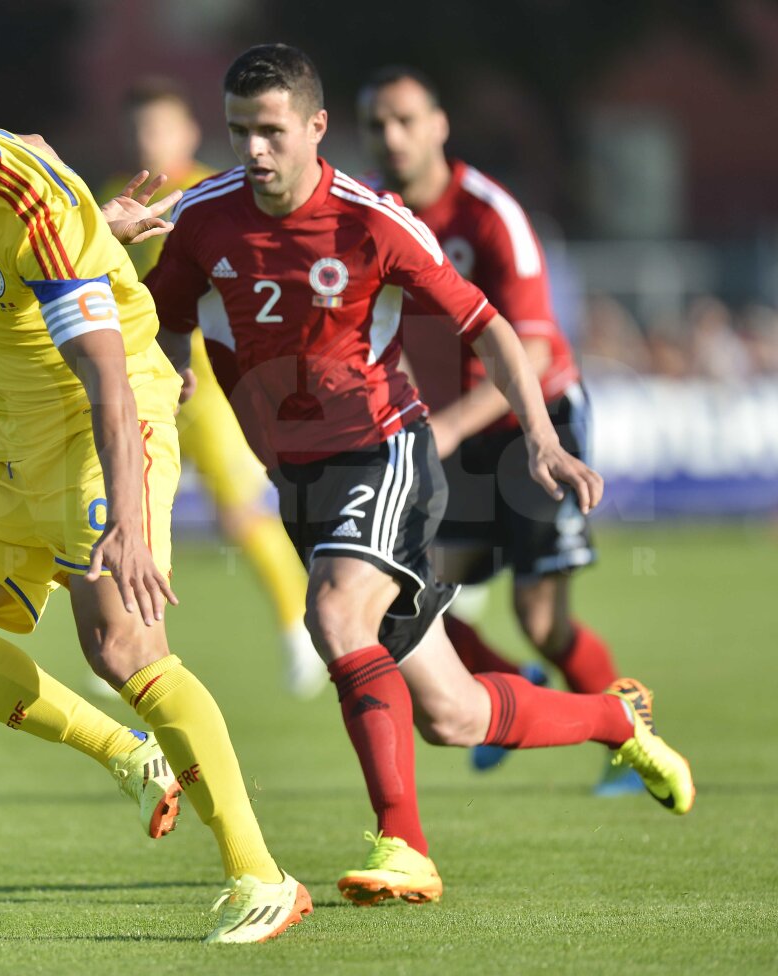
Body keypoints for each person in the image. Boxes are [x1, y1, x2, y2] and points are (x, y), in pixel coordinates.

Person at [146, 43, 694, 907]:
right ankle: (615, 718)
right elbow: (168, 315)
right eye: (239, 131)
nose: (252, 150)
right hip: (299, 481)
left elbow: (493, 327)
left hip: (385, 449)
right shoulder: (204, 218)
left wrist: (544, 441)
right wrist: (170, 368)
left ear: (316, 129)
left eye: (271, 132)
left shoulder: (374, 220)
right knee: (452, 715)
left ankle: (404, 844)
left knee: (333, 612)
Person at [0, 47, 310, 944]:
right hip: (9, 445)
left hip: (98, 423)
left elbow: (112, 385)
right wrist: (100, 223)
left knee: (122, 643)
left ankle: (261, 876)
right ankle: (128, 753)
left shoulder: (29, 212)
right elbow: (32, 149)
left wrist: (128, 519)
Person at [355, 66, 639, 790]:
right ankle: (513, 688)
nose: (392, 136)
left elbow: (537, 347)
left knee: (541, 615)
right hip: (448, 429)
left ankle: (630, 737)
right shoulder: (368, 215)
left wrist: (442, 429)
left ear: (439, 125)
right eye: (377, 124)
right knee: (403, 595)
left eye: (406, 120)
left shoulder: (487, 214)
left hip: (531, 424)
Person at [99, 78, 322, 698]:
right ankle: (125, 645)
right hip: (138, 380)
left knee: (240, 514)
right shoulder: (110, 197)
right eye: (139, 129)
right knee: (125, 510)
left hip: (206, 380)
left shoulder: (210, 193)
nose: (148, 139)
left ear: (188, 132)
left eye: (160, 127)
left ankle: (298, 629)